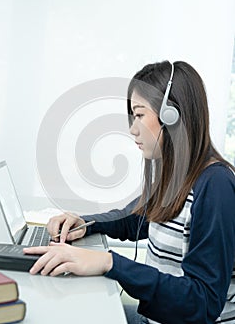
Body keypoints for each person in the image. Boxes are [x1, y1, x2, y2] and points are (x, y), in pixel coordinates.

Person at [24, 61, 235, 324]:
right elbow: (136, 218)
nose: (133, 129)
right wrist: (86, 223)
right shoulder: (177, 177)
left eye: (139, 114)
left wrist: (110, 263)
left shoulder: (216, 186)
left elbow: (203, 302)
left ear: (172, 115)